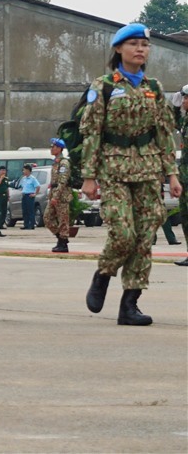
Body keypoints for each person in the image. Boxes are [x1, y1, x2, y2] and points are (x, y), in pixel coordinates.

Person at [82, 23, 182, 325]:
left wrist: (172, 174)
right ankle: (102, 275)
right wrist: (89, 176)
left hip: (149, 169)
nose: (140, 49)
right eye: (134, 44)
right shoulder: (104, 86)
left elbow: (164, 132)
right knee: (123, 233)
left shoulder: (154, 88)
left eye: (144, 45)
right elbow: (91, 132)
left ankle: (130, 304)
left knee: (145, 236)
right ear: (118, 49)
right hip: (114, 168)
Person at [44, 138, 72, 252]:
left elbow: (62, 181)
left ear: (59, 148)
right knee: (47, 218)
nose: (51, 148)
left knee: (63, 220)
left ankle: (63, 243)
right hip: (54, 194)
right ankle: (60, 238)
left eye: (53, 147)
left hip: (61, 195)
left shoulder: (63, 163)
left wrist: (56, 196)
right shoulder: (55, 162)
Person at [176, 84, 188, 266]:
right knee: (185, 215)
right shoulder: (186, 121)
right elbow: (174, 123)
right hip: (185, 176)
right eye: (183, 98)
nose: (184, 102)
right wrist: (174, 108)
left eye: (186, 98)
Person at [18, 165, 40, 230]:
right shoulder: (23, 178)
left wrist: (35, 194)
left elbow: (38, 186)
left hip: (30, 196)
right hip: (24, 196)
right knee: (25, 211)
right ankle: (26, 225)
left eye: (24, 170)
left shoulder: (33, 179)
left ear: (28, 170)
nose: (23, 171)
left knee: (30, 211)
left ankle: (31, 225)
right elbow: (21, 186)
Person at [0, 166, 10, 230]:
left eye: (4, 170)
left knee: (4, 211)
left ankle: (1, 224)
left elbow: (6, 188)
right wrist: (1, 178)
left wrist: (8, 196)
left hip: (4, 196)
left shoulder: (6, 179)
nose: (3, 172)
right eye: (2, 170)